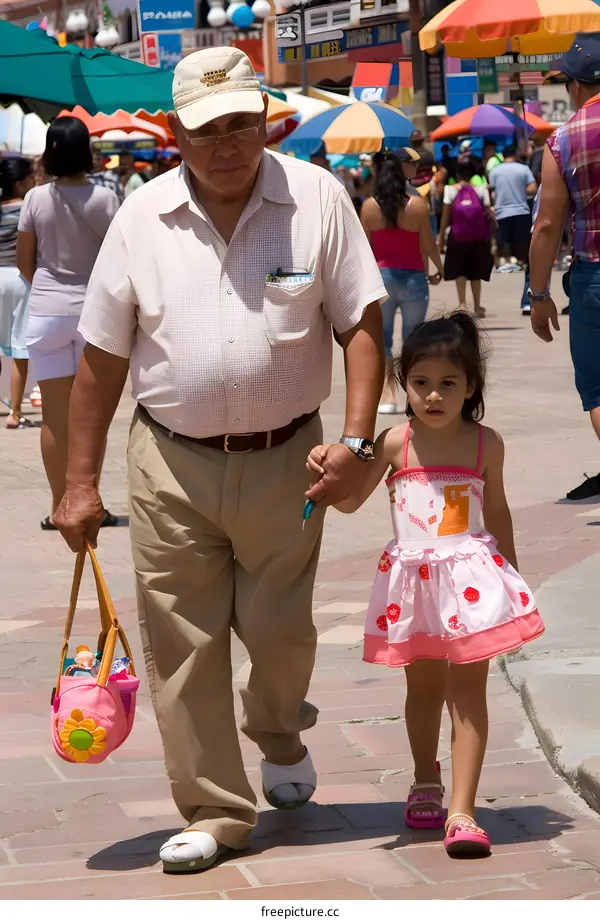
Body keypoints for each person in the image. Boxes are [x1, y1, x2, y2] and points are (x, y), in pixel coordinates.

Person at [52, 47, 386, 874]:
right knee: (182, 643)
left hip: (290, 463)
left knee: (280, 635)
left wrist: (353, 440)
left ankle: (277, 732)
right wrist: (80, 482)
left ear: (266, 119)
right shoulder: (140, 218)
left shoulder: (315, 198)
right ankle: (213, 809)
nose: (228, 145)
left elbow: (361, 320)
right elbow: (100, 358)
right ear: (175, 134)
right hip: (170, 463)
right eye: (207, 131)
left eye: (242, 124)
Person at [307, 311, 544, 857]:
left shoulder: (487, 443)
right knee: (423, 691)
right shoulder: (396, 442)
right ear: (403, 383)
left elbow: (500, 511)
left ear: (471, 387)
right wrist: (323, 469)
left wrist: (511, 576)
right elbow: (348, 501)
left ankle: (463, 811)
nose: (433, 396)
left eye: (447, 384)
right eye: (420, 384)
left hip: (475, 586)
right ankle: (425, 779)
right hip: (414, 588)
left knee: (469, 696)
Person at [16, 116, 120, 530]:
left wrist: (47, 288)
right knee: (91, 419)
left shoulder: (36, 199)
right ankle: (90, 500)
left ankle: (59, 506)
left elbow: (26, 262)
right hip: (95, 317)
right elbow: (118, 261)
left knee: (56, 420)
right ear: (86, 151)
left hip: (47, 313)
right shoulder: (106, 198)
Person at [529, 35, 600, 501]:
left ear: (576, 86)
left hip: (594, 277)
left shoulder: (564, 138)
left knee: (597, 390)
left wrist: (538, 296)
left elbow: (548, 223)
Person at [361, 147, 443, 415]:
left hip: (380, 280)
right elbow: (428, 244)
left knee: (382, 339)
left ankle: (387, 394)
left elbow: (363, 249)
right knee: (412, 339)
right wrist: (438, 267)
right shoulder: (417, 204)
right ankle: (412, 394)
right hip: (414, 279)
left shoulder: (370, 206)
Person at [0, 156, 35, 428]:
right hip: (20, 277)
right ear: (20, 182)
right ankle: (15, 412)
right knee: (19, 347)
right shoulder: (28, 208)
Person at [438, 159, 496, 317]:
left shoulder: (450, 190)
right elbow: (489, 214)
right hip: (478, 237)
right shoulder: (481, 190)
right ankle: (477, 306)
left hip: (457, 236)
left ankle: (462, 304)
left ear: (457, 174)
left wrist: (441, 236)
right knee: (475, 272)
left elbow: (445, 216)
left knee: (460, 271)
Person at [490, 145, 537, 273]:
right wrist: (520, 191)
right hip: (521, 210)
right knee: (522, 241)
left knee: (504, 241)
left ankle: (507, 262)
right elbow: (533, 188)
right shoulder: (523, 169)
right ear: (515, 155)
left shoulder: (494, 171)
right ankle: (520, 261)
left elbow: (492, 192)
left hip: (501, 212)